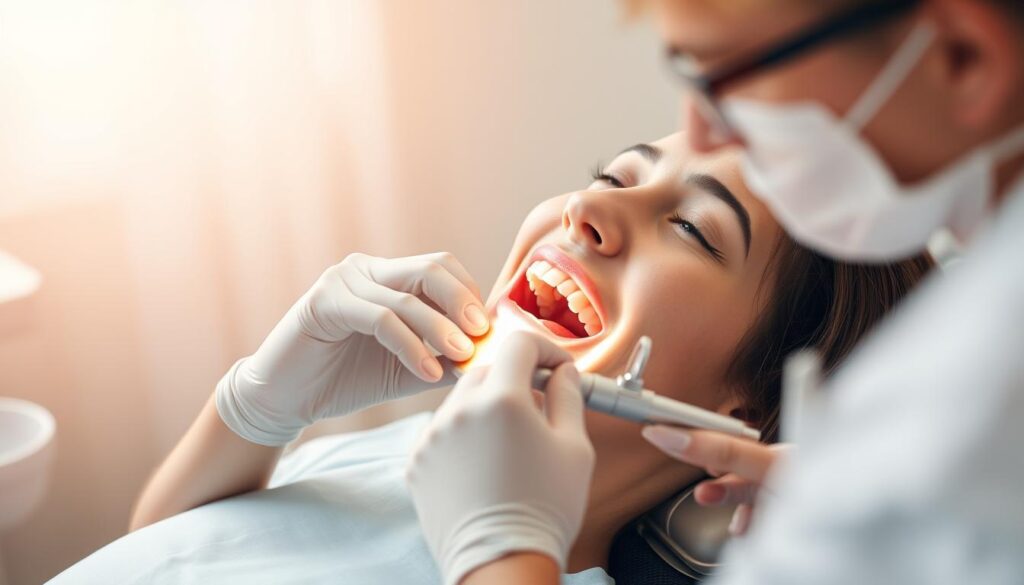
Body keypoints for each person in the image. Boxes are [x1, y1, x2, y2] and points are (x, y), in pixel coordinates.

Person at [49, 137, 927, 584]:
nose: (586, 207)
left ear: (750, 412)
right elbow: (165, 557)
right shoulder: (391, 452)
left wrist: (495, 548)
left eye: (692, 229)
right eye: (617, 176)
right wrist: (252, 414)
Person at [418, 0, 1024, 583]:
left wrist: (498, 550)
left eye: (732, 76)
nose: (703, 131)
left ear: (962, 57)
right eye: (612, 175)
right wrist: (315, 408)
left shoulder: (969, 410)